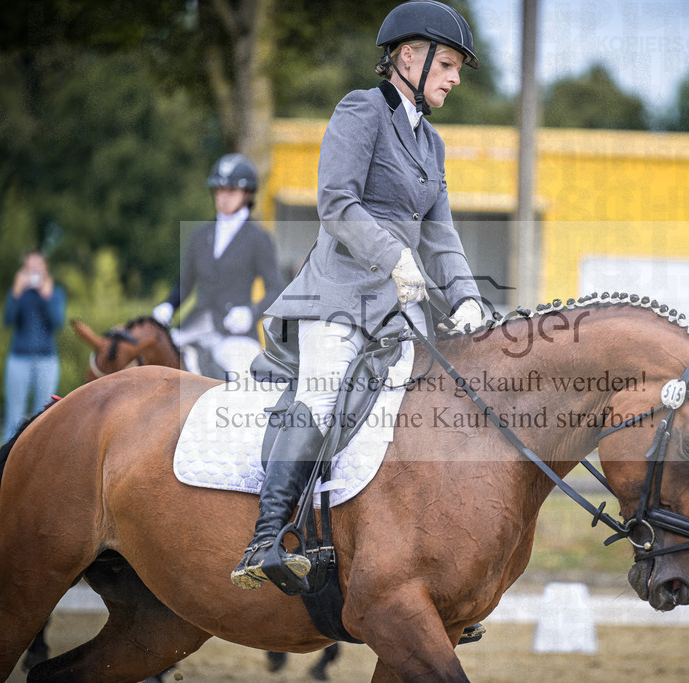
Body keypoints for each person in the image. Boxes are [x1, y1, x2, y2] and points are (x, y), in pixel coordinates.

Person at [230, 0, 485, 595]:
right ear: (408, 56)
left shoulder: (432, 145)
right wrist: (396, 256)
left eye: (456, 69)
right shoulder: (361, 111)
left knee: (435, 408)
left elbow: (441, 232)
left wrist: (468, 298)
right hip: (337, 296)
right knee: (321, 396)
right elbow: (337, 204)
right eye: (446, 64)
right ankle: (266, 538)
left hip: (401, 310)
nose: (452, 78)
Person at [153, 153, 283, 380]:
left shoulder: (258, 238)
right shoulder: (200, 236)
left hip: (235, 333)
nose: (223, 197)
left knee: (245, 377)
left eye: (231, 191)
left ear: (247, 194)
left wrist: (250, 313)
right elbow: (184, 284)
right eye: (219, 190)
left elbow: (276, 289)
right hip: (196, 328)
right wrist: (168, 305)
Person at [2, 251, 66, 443]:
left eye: (37, 267)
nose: (34, 272)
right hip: (18, 359)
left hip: (47, 359)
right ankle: (4, 466)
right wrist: (15, 293)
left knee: (43, 415)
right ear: (23, 270)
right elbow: (8, 320)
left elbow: (57, 323)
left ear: (45, 268)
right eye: (29, 268)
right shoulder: (18, 293)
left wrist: (47, 298)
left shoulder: (55, 293)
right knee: (14, 414)